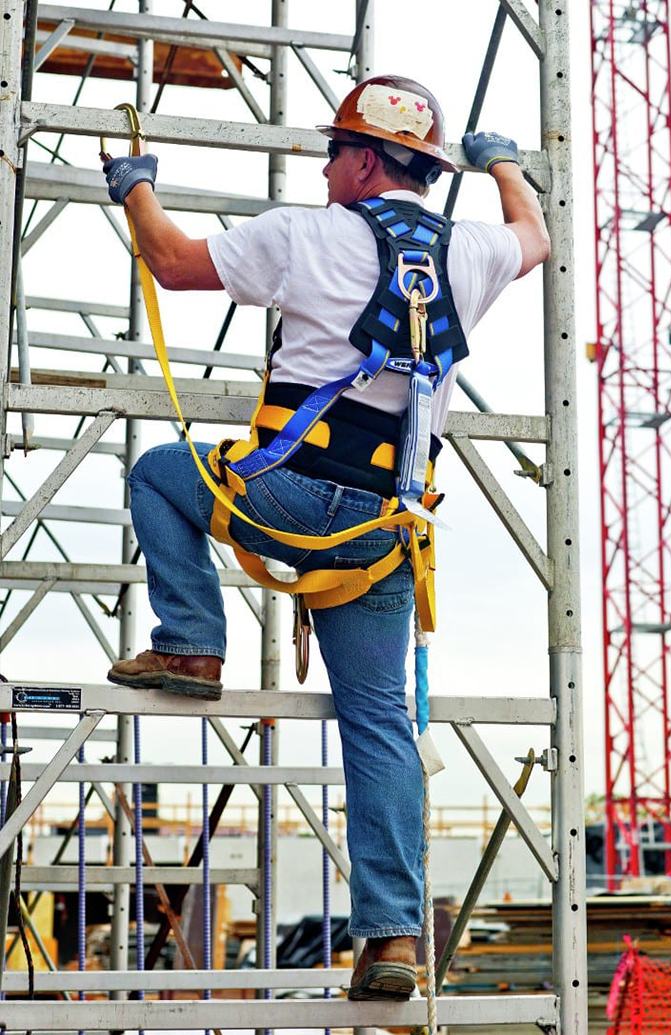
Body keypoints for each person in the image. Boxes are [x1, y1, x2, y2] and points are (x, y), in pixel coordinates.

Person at [103, 74, 549, 1000]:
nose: (323, 164)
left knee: (157, 473)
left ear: (362, 159)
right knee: (379, 722)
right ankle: (392, 940)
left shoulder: (303, 233)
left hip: (291, 498)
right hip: (387, 529)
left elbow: (175, 262)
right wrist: (503, 163)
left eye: (334, 150)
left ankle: (190, 643)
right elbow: (535, 236)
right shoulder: (468, 252)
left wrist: (135, 186)